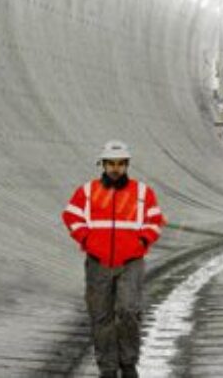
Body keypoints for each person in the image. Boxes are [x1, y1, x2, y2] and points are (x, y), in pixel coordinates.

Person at [60, 140, 166, 378]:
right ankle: (107, 369)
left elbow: (155, 220)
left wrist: (142, 242)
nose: (115, 168)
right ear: (103, 165)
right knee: (101, 316)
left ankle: (128, 364)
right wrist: (86, 240)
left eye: (120, 164)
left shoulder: (142, 193)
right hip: (98, 263)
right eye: (111, 164)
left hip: (131, 262)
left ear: (127, 165)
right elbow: (71, 216)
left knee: (129, 311)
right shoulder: (87, 192)